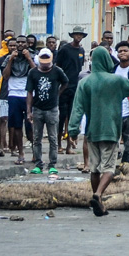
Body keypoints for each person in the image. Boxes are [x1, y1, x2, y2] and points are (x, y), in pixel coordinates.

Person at [67, 47, 129, 216]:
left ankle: (98, 202)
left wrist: (73, 131)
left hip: (92, 131)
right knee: (109, 168)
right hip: (110, 130)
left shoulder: (85, 82)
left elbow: (77, 109)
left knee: (94, 168)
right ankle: (98, 195)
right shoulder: (116, 80)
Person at [25, 48, 69, 174]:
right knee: (37, 138)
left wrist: (57, 93)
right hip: (38, 108)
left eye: (47, 63)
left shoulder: (57, 71)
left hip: (52, 109)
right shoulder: (33, 73)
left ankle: (52, 164)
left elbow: (66, 82)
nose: (45, 66)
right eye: (42, 63)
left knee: (53, 138)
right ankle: (38, 164)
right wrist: (29, 110)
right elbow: (29, 92)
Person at [1, 36, 36, 163]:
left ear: (27, 44)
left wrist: (28, 58)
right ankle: (20, 153)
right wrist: (11, 60)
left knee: (30, 125)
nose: (20, 45)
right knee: (16, 126)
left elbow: (36, 72)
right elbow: (5, 76)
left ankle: (34, 152)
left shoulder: (33, 55)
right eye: (18, 43)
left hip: (28, 93)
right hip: (13, 94)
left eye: (23, 42)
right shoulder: (8, 57)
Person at [56, 26, 87, 157]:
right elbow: (58, 67)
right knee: (62, 117)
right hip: (64, 87)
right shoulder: (64, 49)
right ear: (72, 36)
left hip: (76, 86)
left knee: (72, 116)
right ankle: (58, 144)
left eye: (80, 35)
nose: (78, 37)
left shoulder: (81, 50)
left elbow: (80, 68)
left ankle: (69, 145)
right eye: (76, 35)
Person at [114, 41, 129, 166]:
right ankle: (112, 169)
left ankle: (126, 168)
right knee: (112, 144)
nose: (123, 53)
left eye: (125, 51)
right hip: (114, 113)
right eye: (120, 51)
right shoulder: (112, 70)